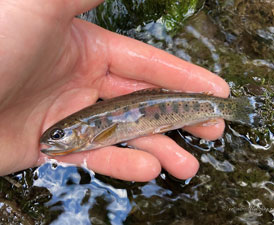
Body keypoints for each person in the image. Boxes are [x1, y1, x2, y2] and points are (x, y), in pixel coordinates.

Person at [0, 0, 229, 181]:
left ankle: (231, 109)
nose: (53, 140)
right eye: (58, 135)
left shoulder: (92, 134)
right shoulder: (89, 134)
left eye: (58, 134)